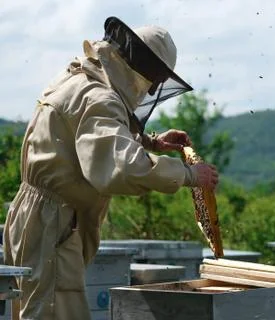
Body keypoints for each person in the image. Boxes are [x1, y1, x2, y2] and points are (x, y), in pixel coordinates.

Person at [3, 16, 218, 320]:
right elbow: (122, 167)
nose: (150, 91)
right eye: (154, 81)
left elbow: (85, 138)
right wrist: (190, 175)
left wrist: (150, 142)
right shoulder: (101, 98)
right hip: (52, 223)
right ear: (143, 71)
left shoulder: (80, 77)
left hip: (34, 215)